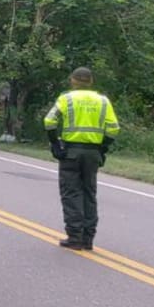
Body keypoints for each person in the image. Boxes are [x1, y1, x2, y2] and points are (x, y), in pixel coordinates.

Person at [43, 67, 121, 251]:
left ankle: (75, 236)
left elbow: (49, 121)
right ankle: (88, 238)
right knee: (89, 193)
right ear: (91, 81)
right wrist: (102, 148)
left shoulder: (67, 98)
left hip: (71, 152)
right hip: (93, 152)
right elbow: (114, 128)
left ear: (73, 80)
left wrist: (55, 144)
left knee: (71, 193)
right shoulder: (103, 101)